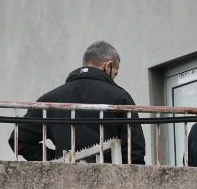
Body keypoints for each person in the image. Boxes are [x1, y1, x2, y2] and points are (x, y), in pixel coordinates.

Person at [11, 41, 147, 164]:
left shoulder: (49, 100)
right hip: (106, 181)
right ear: (108, 66)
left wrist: (55, 160)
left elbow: (18, 140)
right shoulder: (120, 97)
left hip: (63, 181)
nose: (114, 79)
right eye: (115, 73)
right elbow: (134, 151)